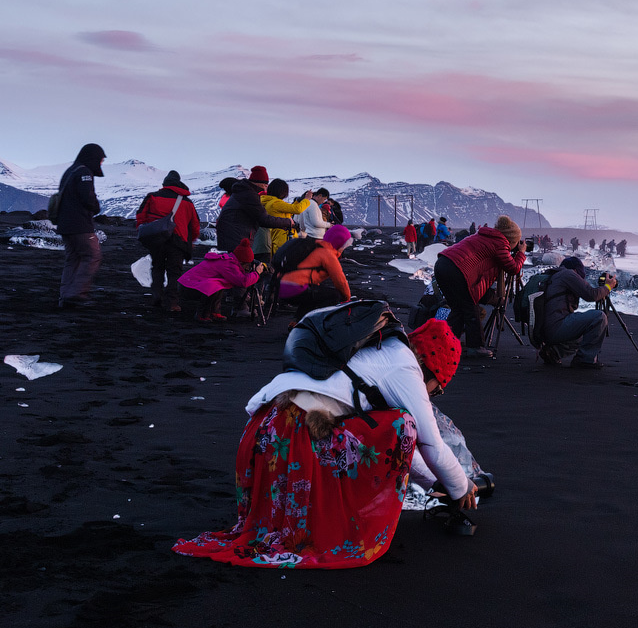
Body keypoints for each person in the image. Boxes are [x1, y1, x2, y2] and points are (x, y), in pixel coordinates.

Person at [173, 318, 477, 568]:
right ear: (429, 366)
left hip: (264, 432)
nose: (432, 394)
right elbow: (428, 445)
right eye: (437, 388)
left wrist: (441, 481)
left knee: (385, 425)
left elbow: (411, 455)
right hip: (296, 437)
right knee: (402, 424)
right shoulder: (405, 367)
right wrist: (461, 488)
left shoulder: (373, 348)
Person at [434, 215, 525, 359]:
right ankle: (475, 347)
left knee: (458, 308)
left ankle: (447, 344)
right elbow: (513, 268)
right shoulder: (499, 243)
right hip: (458, 270)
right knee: (470, 308)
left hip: (442, 264)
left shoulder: (483, 235)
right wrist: (520, 253)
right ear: (511, 239)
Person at [215, 166, 295, 316]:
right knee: (241, 267)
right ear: (259, 183)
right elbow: (264, 219)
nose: (266, 187)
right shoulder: (249, 195)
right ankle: (240, 307)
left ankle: (235, 302)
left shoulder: (244, 192)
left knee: (235, 267)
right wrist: (287, 222)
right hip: (237, 235)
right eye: (265, 184)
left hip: (232, 234)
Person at [135, 170, 200, 311]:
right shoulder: (187, 203)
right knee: (174, 272)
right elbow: (195, 225)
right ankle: (173, 303)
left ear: (165, 184)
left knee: (157, 267)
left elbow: (141, 216)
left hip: (156, 239)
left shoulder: (152, 197)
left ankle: (156, 296)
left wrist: (143, 230)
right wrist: (191, 240)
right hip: (178, 241)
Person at [540, 257, 615, 369]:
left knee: (584, 333)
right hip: (556, 327)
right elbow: (591, 295)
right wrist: (608, 286)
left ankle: (554, 352)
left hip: (543, 330)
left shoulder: (554, 275)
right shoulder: (568, 274)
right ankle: (585, 360)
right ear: (577, 270)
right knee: (599, 317)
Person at [56, 143, 106, 308]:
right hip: (80, 225)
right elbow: (86, 197)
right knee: (92, 255)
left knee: (73, 259)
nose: (101, 164)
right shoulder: (84, 172)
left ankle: (65, 296)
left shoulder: (70, 171)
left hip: (65, 224)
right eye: (100, 160)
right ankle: (77, 293)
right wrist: (95, 206)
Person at [278, 223, 354, 320]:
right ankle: (321, 323)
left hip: (280, 287)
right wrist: (347, 299)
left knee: (313, 294)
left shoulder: (315, 246)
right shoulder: (328, 254)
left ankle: (297, 323)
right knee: (334, 295)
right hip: (294, 289)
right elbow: (340, 281)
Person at [178, 238, 263, 322]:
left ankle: (214, 312)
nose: (247, 268)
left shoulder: (228, 261)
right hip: (189, 289)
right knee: (213, 284)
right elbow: (243, 281)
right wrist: (257, 273)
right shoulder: (228, 264)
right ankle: (202, 314)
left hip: (188, 285)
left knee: (219, 283)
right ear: (241, 262)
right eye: (247, 265)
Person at [252, 178, 310, 259]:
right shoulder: (276, 203)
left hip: (275, 237)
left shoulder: (269, 202)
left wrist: (298, 201)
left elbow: (288, 211)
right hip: (282, 238)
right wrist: (307, 200)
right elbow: (297, 209)